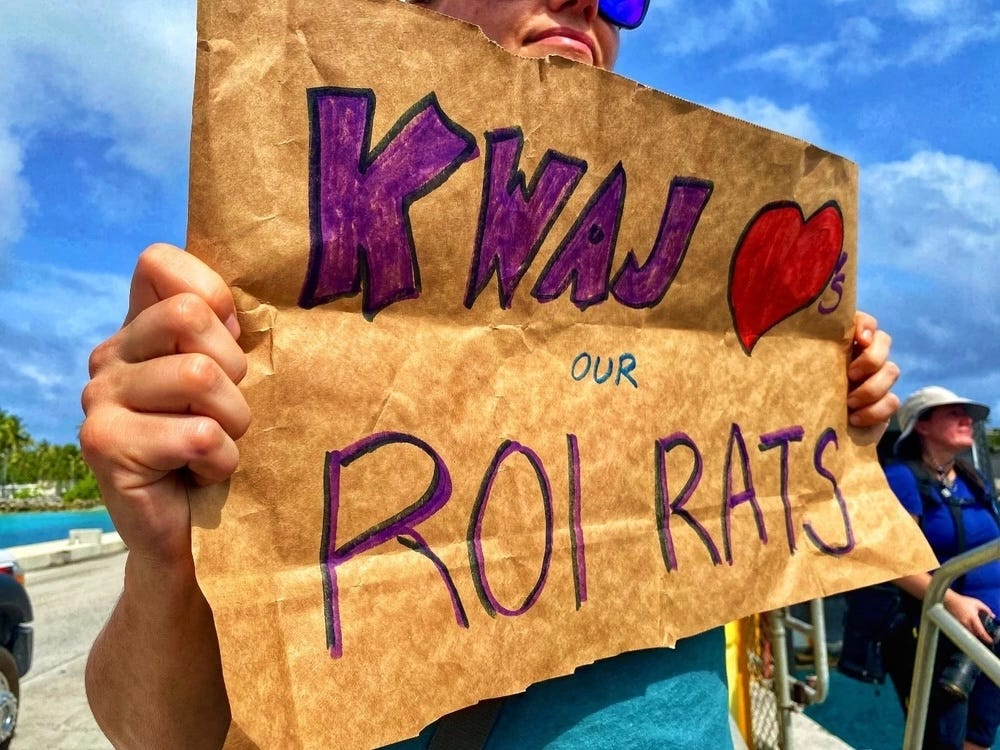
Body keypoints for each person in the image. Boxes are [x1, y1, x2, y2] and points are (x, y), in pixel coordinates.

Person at [80, 1, 901, 748]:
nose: (591, 5)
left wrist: (832, 412)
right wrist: (166, 557)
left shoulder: (693, 283)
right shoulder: (255, 298)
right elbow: (155, 737)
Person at [884, 387, 1000, 750]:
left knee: (978, 738)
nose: (967, 419)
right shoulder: (903, 478)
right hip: (940, 634)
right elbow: (891, 563)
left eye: (967, 414)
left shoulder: (972, 480)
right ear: (922, 426)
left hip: (990, 630)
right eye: (953, 413)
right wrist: (950, 601)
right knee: (940, 742)